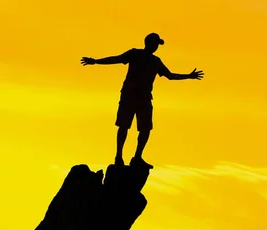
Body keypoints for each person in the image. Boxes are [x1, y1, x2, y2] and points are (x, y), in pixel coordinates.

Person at [81, 33, 204, 168]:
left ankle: (137, 157)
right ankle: (119, 156)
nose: (157, 47)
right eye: (156, 44)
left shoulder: (156, 61)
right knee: (124, 126)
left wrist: (189, 76)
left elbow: (170, 75)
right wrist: (96, 61)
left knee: (145, 129)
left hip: (144, 98)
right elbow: (116, 59)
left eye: (158, 44)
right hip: (129, 95)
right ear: (149, 43)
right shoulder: (134, 54)